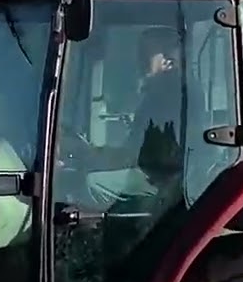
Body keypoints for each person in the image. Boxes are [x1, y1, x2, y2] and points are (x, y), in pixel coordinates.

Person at [79, 26, 186, 209]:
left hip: (161, 179)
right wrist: (94, 153)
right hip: (157, 172)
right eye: (141, 55)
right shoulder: (159, 93)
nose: (140, 62)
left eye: (146, 55)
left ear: (168, 62)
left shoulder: (167, 95)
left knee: (92, 182)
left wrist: (93, 155)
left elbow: (138, 155)